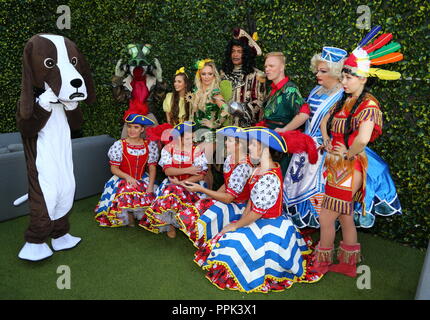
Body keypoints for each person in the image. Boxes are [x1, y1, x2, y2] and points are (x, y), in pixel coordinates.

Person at [311, 26, 404, 277]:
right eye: (342, 76)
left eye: (348, 77)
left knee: (327, 218)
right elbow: (324, 120)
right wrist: (328, 140)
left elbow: (362, 140)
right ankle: (349, 265)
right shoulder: (345, 99)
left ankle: (322, 261)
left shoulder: (369, 105)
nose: (343, 81)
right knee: (345, 217)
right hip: (337, 164)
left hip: (350, 167)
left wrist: (347, 154)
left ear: (363, 77)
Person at [194, 127, 322, 293]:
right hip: (255, 219)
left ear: (265, 149)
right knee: (225, 239)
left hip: (271, 226)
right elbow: (251, 204)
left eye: (254, 145)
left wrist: (237, 225)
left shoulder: (269, 176)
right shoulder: (257, 169)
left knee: (232, 243)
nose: (250, 148)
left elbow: (258, 212)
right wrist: (239, 223)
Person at [283, 47, 347, 228]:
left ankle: (323, 230)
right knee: (295, 185)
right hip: (305, 146)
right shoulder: (315, 90)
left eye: (323, 71)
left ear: (336, 73)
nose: (317, 74)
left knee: (319, 190)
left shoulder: (342, 95)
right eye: (317, 69)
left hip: (325, 151)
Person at [179, 126, 253, 247]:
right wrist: (210, 197)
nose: (225, 143)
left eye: (229, 141)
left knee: (209, 212)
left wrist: (202, 189)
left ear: (240, 145)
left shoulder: (243, 166)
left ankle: (211, 243)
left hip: (239, 205)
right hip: (229, 199)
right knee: (202, 205)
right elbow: (227, 183)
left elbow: (229, 198)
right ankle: (206, 240)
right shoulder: (230, 158)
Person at [139, 121, 208, 238]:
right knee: (170, 191)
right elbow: (168, 171)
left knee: (176, 190)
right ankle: (170, 224)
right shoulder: (168, 149)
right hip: (171, 183)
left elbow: (200, 175)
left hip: (191, 184)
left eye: (192, 138)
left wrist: (182, 183)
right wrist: (188, 169)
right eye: (187, 139)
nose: (191, 141)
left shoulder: (196, 151)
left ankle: (183, 222)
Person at [94, 114, 159, 227]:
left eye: (136, 127)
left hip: (142, 178)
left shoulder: (150, 145)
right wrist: (128, 177)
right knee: (127, 188)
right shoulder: (119, 145)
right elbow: (114, 168)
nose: (131, 130)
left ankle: (136, 212)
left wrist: (150, 186)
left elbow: (152, 167)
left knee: (152, 198)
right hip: (122, 178)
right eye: (129, 126)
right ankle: (128, 212)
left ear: (142, 129)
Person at [262, 52, 310, 175]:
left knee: (277, 177)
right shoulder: (273, 89)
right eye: (266, 66)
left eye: (271, 66)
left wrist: (284, 129)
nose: (267, 69)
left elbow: (304, 114)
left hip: (281, 144)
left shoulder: (290, 89)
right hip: (269, 139)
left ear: (282, 67)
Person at [188, 59, 229, 188]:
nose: (206, 77)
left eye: (210, 74)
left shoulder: (215, 92)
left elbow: (226, 109)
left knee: (205, 168)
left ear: (214, 75)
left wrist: (214, 124)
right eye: (204, 73)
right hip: (197, 133)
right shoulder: (196, 90)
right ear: (199, 75)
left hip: (210, 135)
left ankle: (207, 198)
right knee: (198, 166)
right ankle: (200, 194)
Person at [220, 28, 266, 127]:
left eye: (239, 51)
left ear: (246, 54)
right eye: (233, 51)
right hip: (223, 126)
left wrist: (237, 110)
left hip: (246, 129)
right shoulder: (222, 74)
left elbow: (259, 103)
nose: (235, 55)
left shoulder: (258, 75)